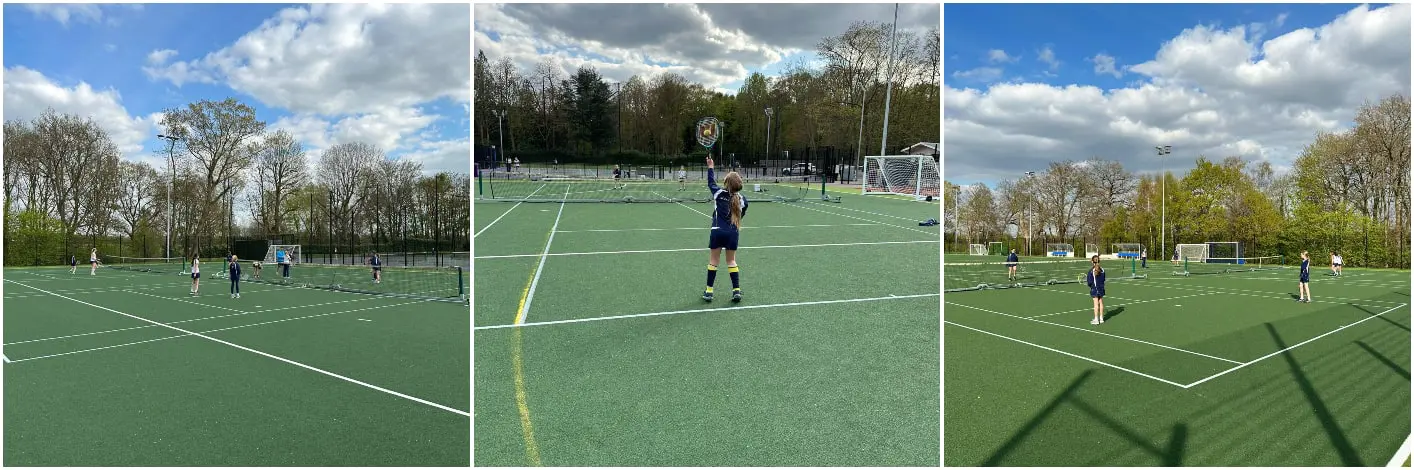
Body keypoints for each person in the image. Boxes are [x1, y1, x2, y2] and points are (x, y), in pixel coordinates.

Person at [702, 156, 748, 303]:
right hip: (732, 233)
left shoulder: (718, 194)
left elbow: (711, 182)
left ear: (726, 183)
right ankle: (736, 291)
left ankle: (709, 292)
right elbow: (742, 215)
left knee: (714, 261)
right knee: (731, 261)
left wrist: (710, 166)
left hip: (717, 231)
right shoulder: (742, 200)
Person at [1086, 254, 1107, 325]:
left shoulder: (1091, 271)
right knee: (1100, 302)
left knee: (1095, 304)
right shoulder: (1103, 270)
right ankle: (1101, 318)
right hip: (1101, 288)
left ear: (1092, 261)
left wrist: (1091, 286)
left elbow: (1089, 282)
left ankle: (1096, 319)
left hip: (1095, 289)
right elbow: (1104, 279)